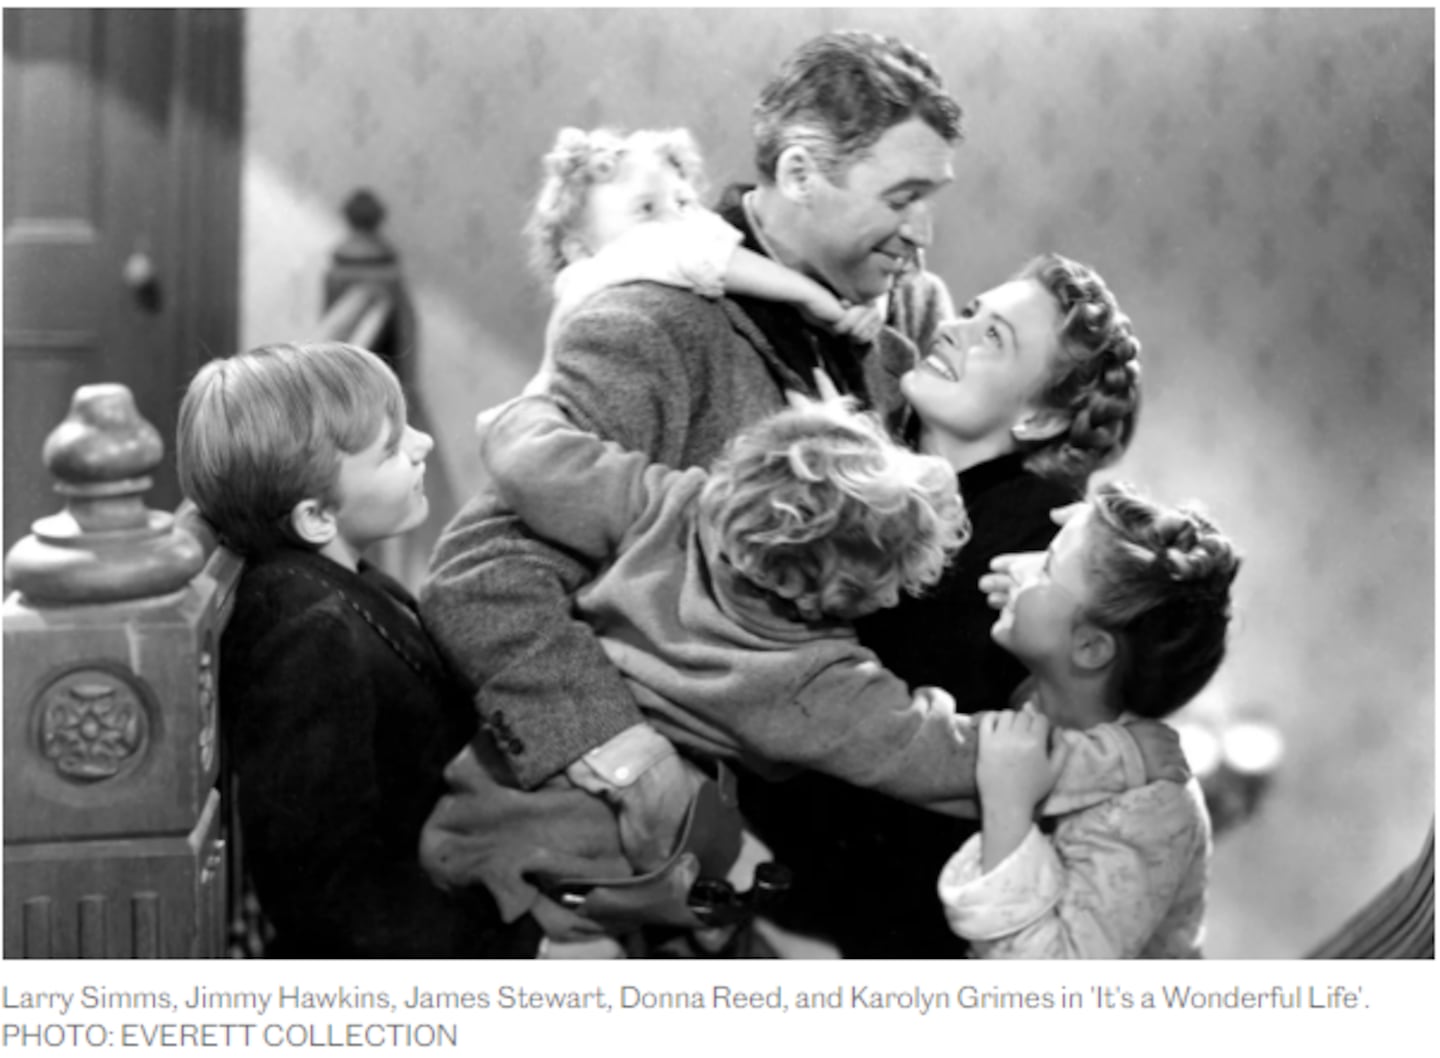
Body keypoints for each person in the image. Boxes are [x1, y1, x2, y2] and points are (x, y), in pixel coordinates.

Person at [418, 29, 968, 942]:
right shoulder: (650, 323)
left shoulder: (913, 309)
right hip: (693, 865)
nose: (922, 233)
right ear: (800, 172)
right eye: (902, 197)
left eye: (932, 199)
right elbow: (480, 578)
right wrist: (627, 762)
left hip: (883, 827)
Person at [481, 393, 1164, 831]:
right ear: (868, 593)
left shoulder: (664, 503)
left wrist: (525, 411)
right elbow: (957, 763)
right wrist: (1123, 757)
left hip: (514, 763)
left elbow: (528, 457)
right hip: (622, 827)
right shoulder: (815, 682)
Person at [744, 252, 1147, 957]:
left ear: (1040, 417)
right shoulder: (864, 441)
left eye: (994, 337)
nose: (954, 331)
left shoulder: (1040, 541)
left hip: (894, 925)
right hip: (772, 870)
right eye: (969, 313)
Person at [176, 341, 628, 957]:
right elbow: (328, 893)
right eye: (391, 448)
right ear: (316, 517)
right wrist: (526, 953)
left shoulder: (338, 580)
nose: (425, 443)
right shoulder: (305, 637)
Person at [937, 480, 1239, 958]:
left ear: (1092, 647)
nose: (1017, 567)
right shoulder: (1035, 696)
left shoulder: (1154, 810)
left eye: (1046, 565)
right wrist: (1042, 600)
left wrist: (1008, 811)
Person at [522, 124, 883, 398]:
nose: (674, 221)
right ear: (579, 251)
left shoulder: (658, 276)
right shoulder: (602, 276)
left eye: (682, 202)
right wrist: (814, 298)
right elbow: (707, 255)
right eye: (646, 209)